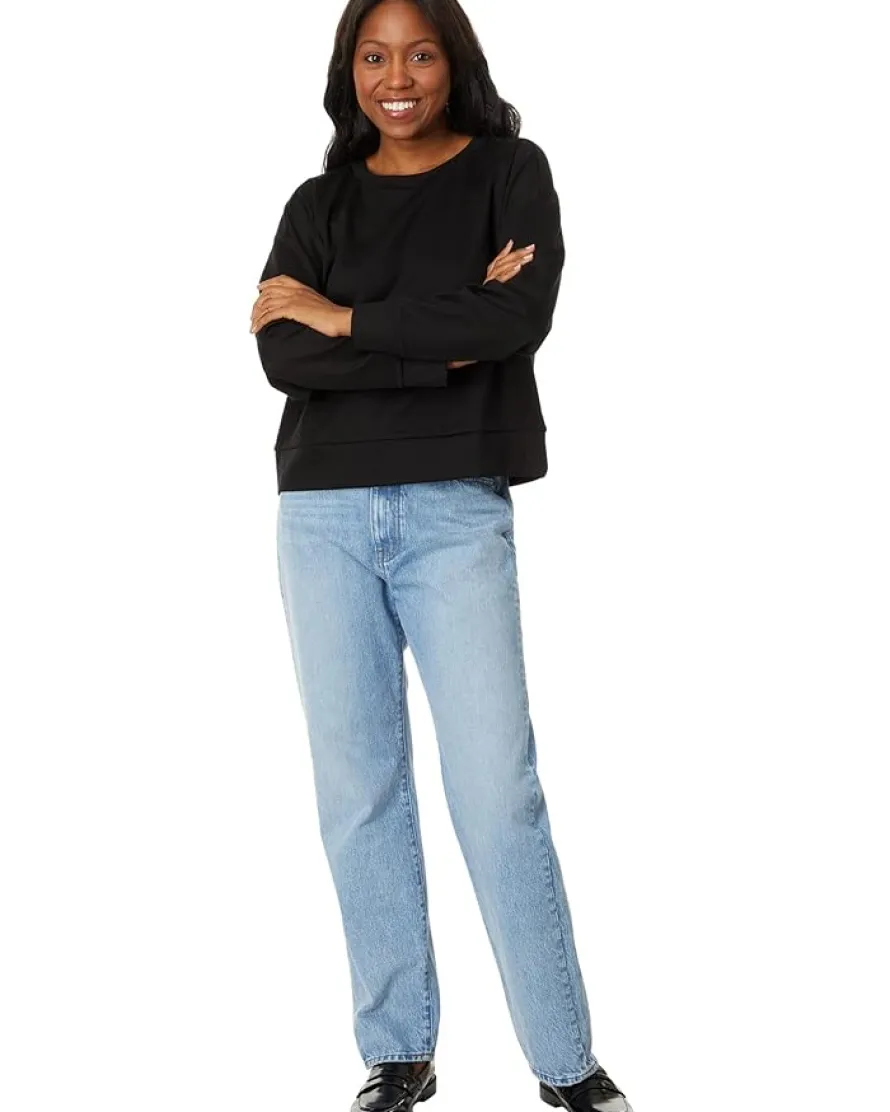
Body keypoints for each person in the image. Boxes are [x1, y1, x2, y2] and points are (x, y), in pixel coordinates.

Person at [250, 2, 634, 1110]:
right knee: (358, 791)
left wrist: (345, 319)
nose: (397, 76)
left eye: (418, 52)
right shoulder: (316, 203)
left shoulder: (511, 172)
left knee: (495, 790)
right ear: (349, 72)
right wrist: (435, 335)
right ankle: (398, 1053)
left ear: (453, 61)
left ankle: (565, 1063)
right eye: (373, 56)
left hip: (454, 510)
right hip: (320, 514)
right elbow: (281, 356)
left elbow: (513, 322)